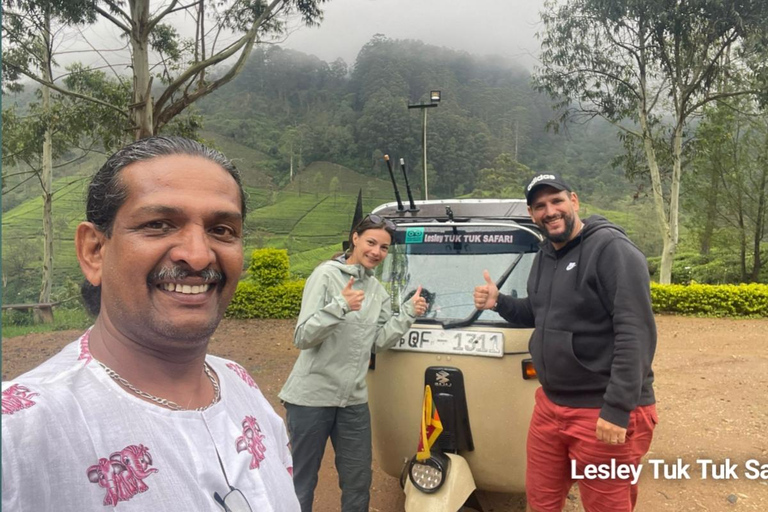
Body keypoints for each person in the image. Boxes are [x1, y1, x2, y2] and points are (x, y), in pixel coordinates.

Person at [1, 136, 300, 511]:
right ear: (94, 250)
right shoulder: (20, 433)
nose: (196, 255)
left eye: (222, 230)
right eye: (158, 224)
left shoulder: (241, 386)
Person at [473, 174, 658, 512]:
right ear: (532, 215)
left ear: (574, 200)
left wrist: (617, 409)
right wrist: (499, 301)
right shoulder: (546, 255)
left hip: (601, 408)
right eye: (540, 206)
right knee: (541, 501)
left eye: (556, 201)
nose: (550, 211)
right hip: (551, 406)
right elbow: (539, 311)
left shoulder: (611, 249)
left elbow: (636, 332)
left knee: (606, 506)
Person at [279, 214, 428, 512]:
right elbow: (302, 336)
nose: (376, 252)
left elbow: (377, 342)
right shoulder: (326, 276)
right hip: (311, 398)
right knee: (302, 479)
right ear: (355, 238)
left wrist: (409, 313)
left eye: (384, 248)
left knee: (358, 480)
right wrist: (340, 307)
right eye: (371, 242)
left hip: (353, 401)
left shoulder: (377, 291)